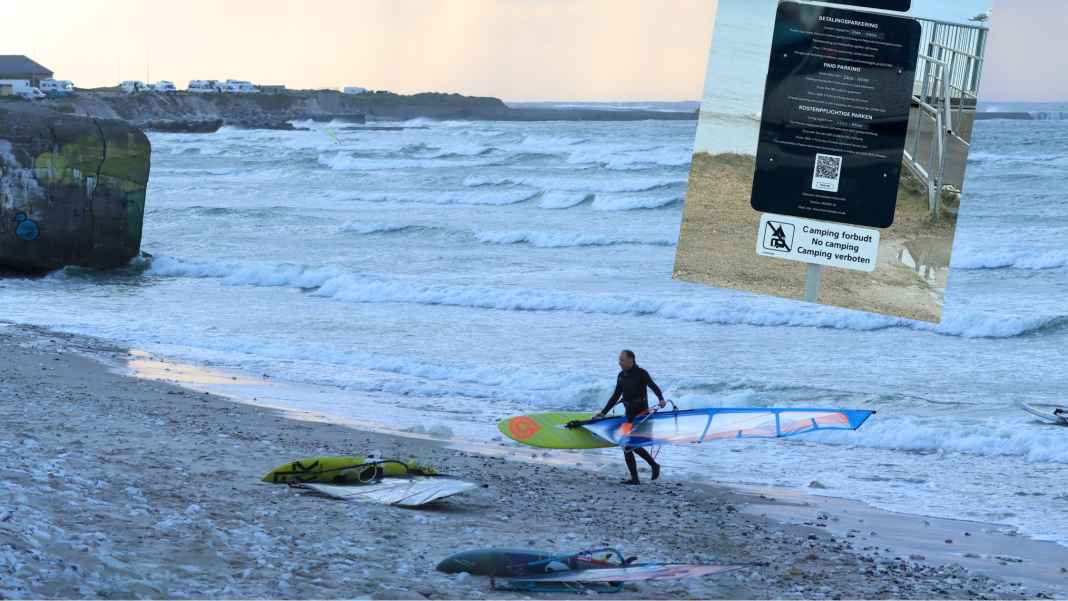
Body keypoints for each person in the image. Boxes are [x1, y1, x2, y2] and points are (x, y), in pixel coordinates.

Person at [595, 349, 666, 485]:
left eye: (622, 360)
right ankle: (639, 475)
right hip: (629, 416)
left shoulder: (641, 373)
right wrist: (603, 412)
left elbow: (654, 386)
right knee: (627, 445)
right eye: (619, 359)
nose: (619, 362)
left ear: (631, 360)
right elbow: (615, 396)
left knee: (629, 444)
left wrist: (661, 399)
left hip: (642, 416)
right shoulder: (621, 376)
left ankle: (649, 468)